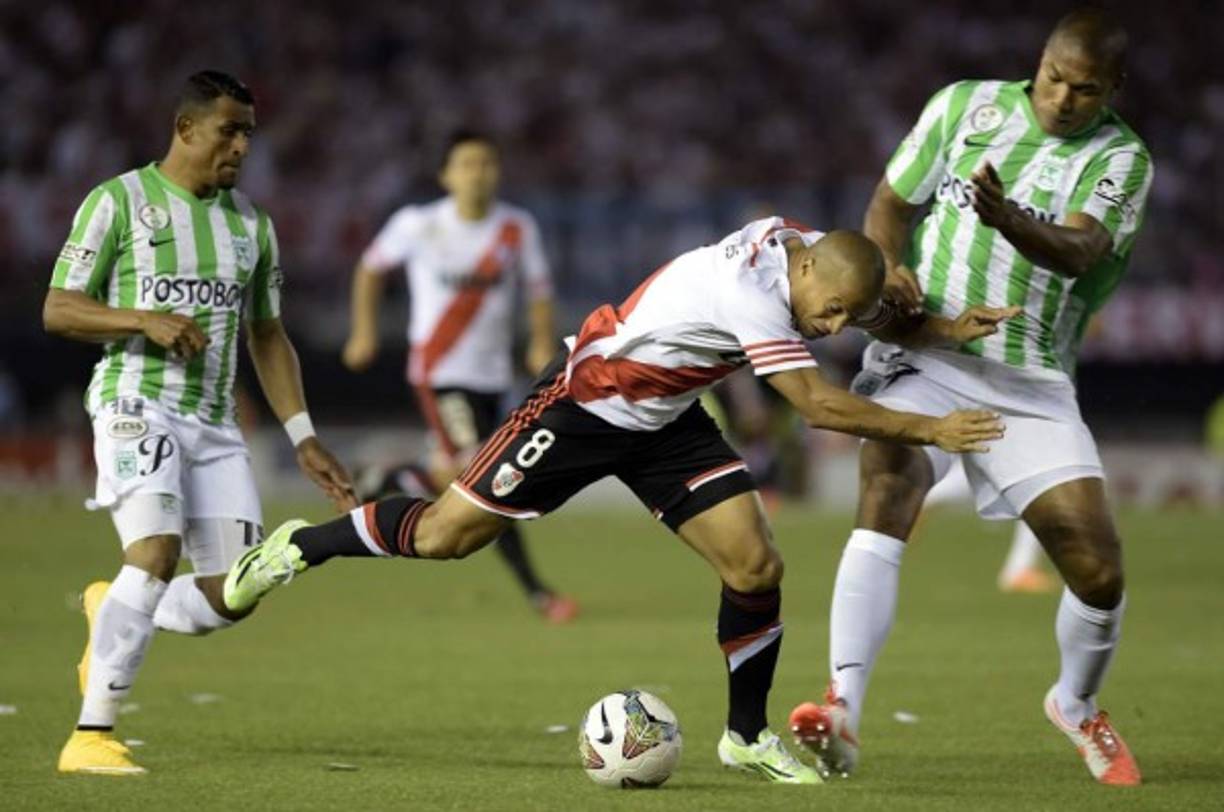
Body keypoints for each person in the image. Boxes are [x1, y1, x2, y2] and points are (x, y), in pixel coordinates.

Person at [223, 218, 1013, 784]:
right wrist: (933, 429)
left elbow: (875, 308)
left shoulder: (807, 253)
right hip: (585, 403)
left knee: (756, 564)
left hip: (666, 421)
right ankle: (299, 546)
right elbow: (816, 404)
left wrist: (942, 330)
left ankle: (745, 736)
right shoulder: (750, 293)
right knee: (443, 536)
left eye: (843, 317)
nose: (833, 327)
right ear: (804, 272)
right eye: (829, 310)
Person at [790, 9, 1152, 786]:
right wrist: (888, 263)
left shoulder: (1121, 158)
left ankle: (1075, 703)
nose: (1061, 99)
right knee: (887, 490)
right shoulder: (966, 106)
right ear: (1039, 62)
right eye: (1053, 78)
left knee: (1097, 572)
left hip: (1028, 380)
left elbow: (1082, 248)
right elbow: (891, 201)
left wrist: (1008, 218)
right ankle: (842, 707)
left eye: (1084, 90)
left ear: (1113, 89)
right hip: (926, 349)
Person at [44, 70, 356, 775]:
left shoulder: (251, 226)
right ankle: (90, 736)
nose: (241, 146)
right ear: (186, 129)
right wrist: (142, 320)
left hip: (215, 427)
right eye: (228, 130)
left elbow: (268, 335)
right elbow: (58, 308)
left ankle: (115, 604)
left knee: (231, 596)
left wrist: (303, 436)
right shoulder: (118, 202)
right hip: (135, 402)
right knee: (154, 554)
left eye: (248, 133)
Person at [341, 130, 576, 622]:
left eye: (487, 163)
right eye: (467, 164)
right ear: (446, 175)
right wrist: (363, 332)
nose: (478, 173)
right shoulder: (419, 224)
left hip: (495, 377)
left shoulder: (516, 227)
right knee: (492, 480)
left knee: (465, 476)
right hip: (440, 372)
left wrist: (539, 343)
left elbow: (539, 291)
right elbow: (369, 269)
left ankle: (388, 477)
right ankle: (538, 592)